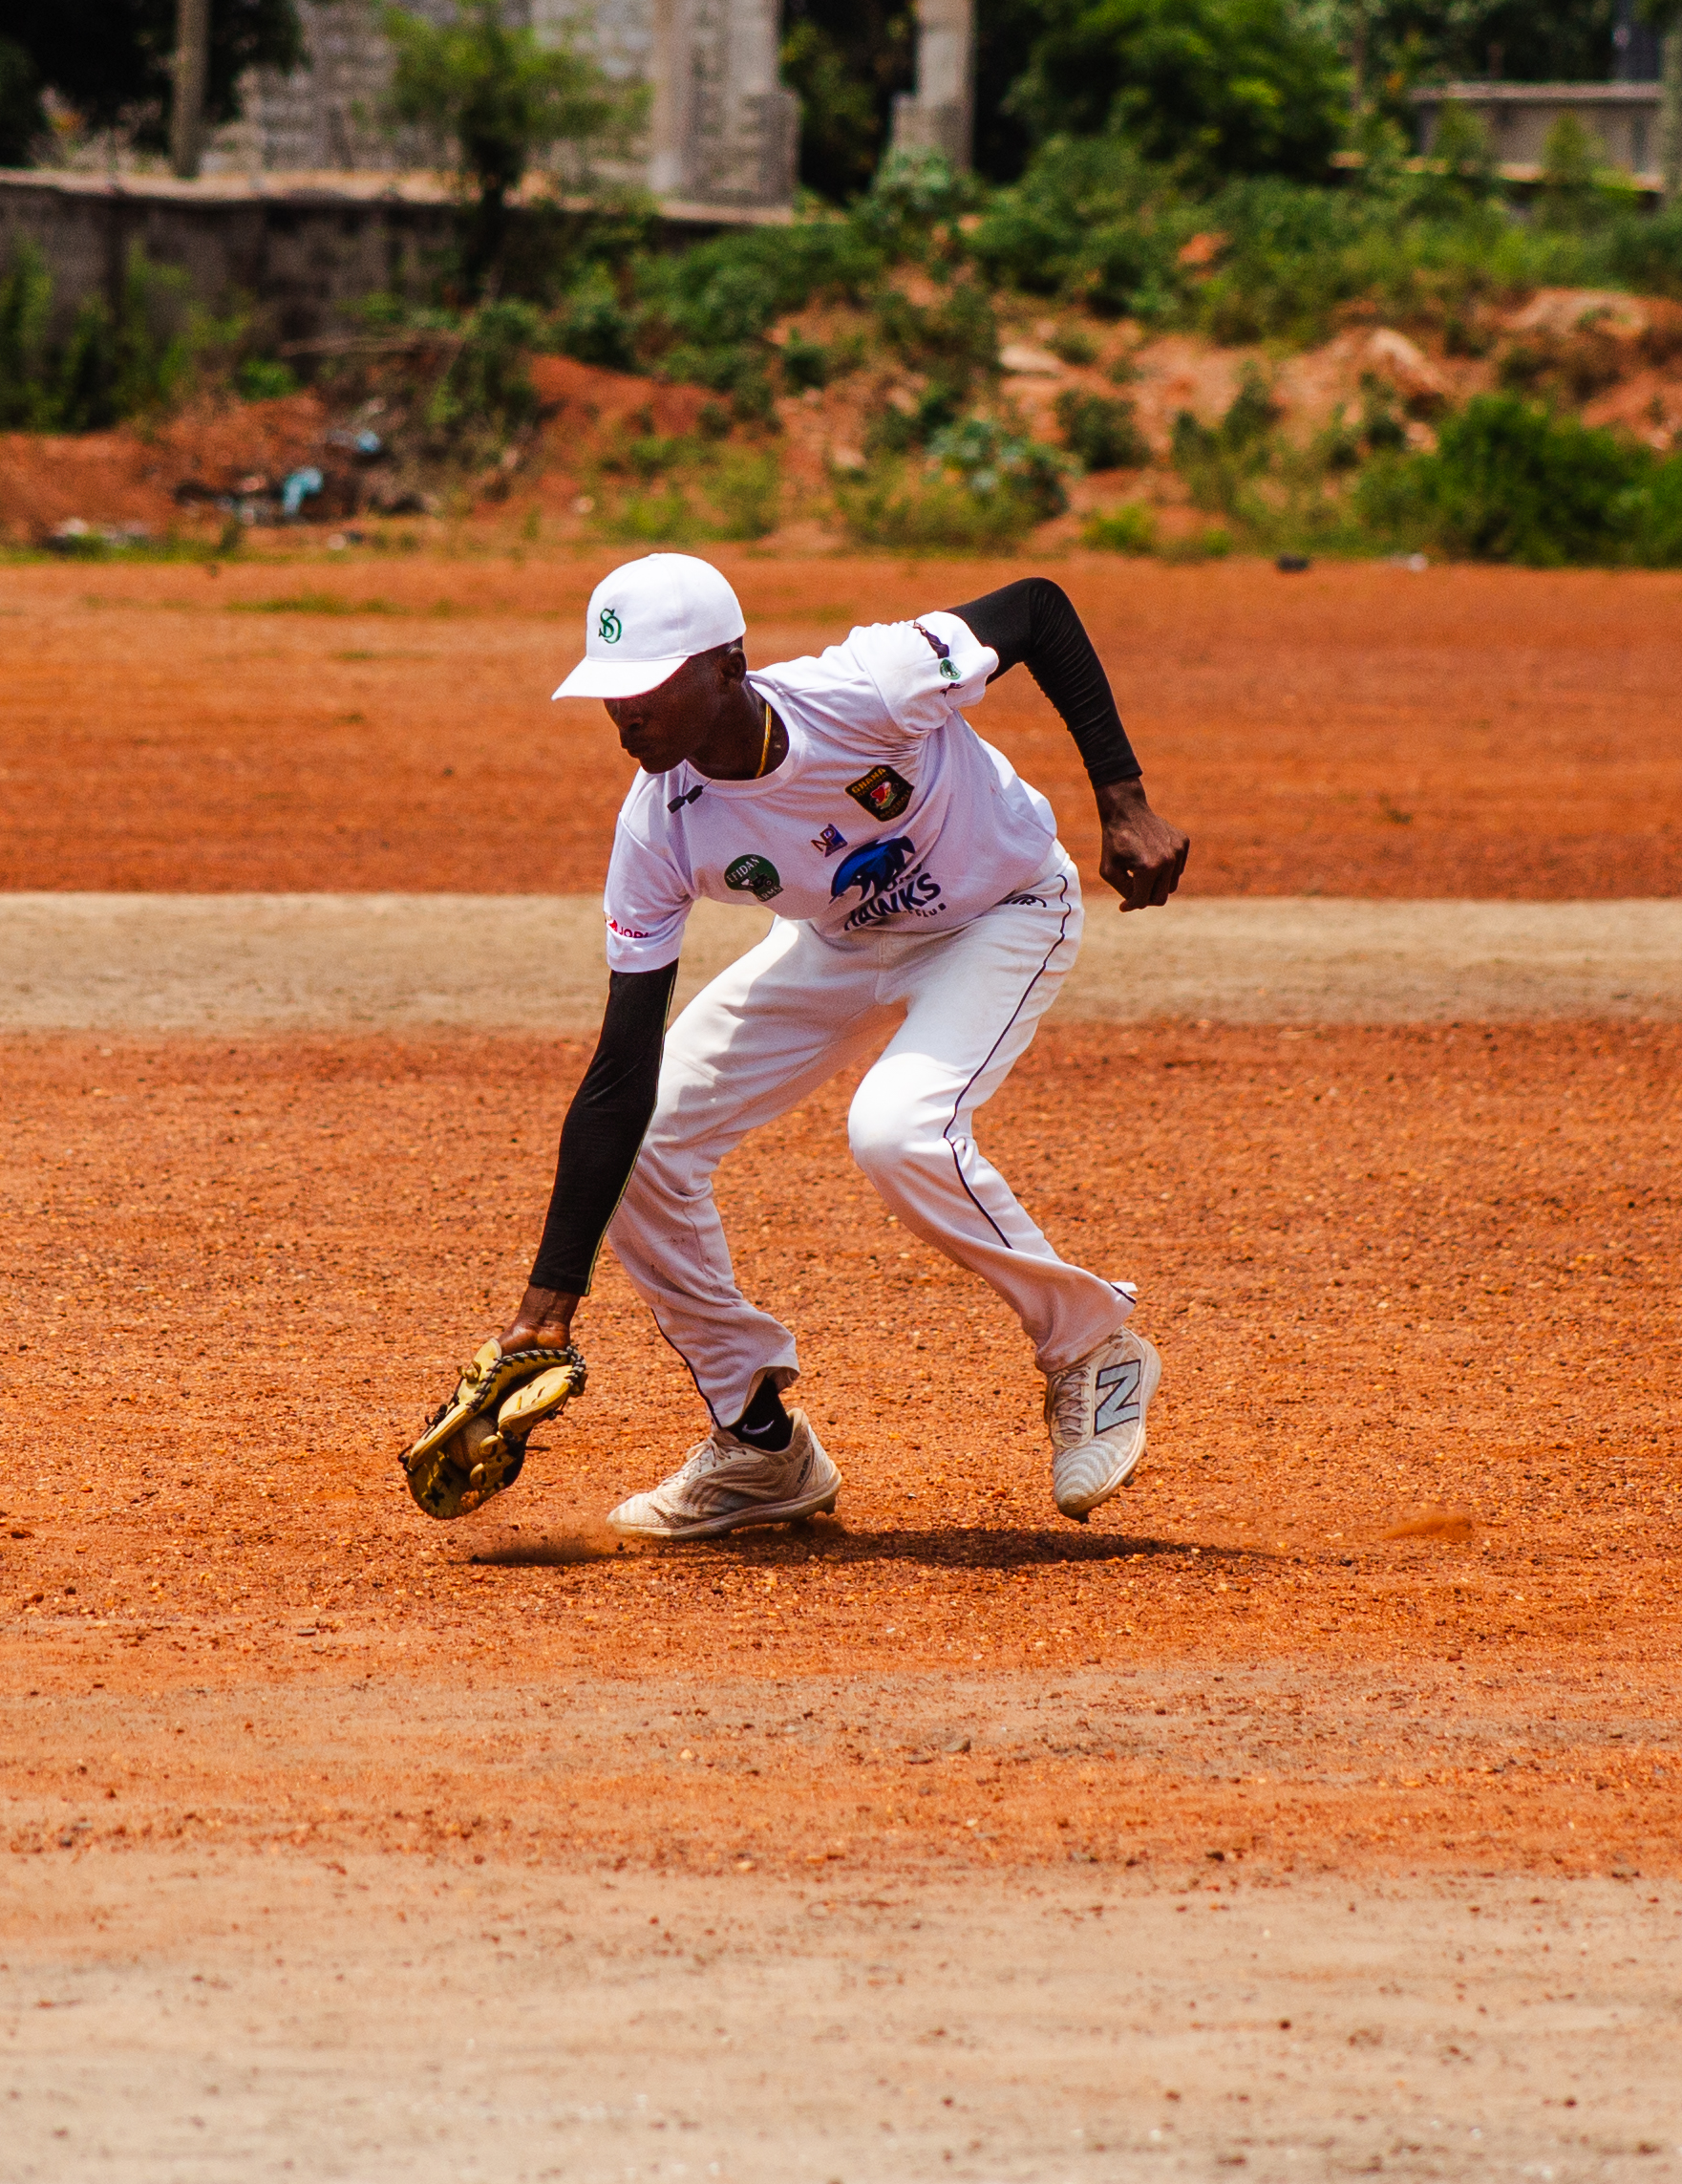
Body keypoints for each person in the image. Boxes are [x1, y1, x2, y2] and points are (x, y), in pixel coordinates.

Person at [485, 551, 1187, 1536]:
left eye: (646, 685)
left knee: (896, 1131)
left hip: (1001, 910)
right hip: (843, 939)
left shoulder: (868, 684)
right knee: (646, 1145)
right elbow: (619, 1072)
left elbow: (1036, 610)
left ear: (725, 666)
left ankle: (1090, 1349)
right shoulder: (658, 829)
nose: (624, 713)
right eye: (609, 692)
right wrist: (545, 1307)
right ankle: (758, 1441)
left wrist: (1121, 799)